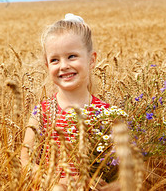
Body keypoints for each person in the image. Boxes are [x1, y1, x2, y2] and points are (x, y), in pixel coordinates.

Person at [20, 13, 119, 191]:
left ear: (92, 60)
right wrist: (53, 182)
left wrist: (112, 186)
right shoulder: (42, 112)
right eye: (55, 60)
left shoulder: (106, 114)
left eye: (72, 56)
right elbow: (25, 160)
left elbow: (127, 168)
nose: (64, 65)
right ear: (47, 66)